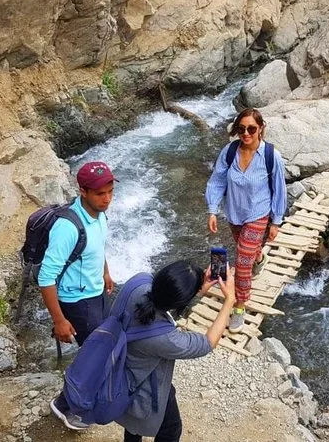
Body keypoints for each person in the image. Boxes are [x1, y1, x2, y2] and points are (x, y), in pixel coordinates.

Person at [118, 260, 236, 442]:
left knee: (133, 427)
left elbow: (162, 306)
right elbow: (208, 343)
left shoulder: (139, 282)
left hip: (121, 369)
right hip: (143, 384)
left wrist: (196, 291)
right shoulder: (166, 339)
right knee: (170, 430)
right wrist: (229, 301)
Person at [40, 161, 117, 430]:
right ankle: (66, 406)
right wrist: (59, 320)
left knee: (104, 348)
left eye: (110, 192)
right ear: (82, 191)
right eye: (100, 194)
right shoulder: (67, 227)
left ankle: (81, 398)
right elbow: (46, 277)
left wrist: (105, 272)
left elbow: (96, 246)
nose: (107, 199)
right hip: (77, 302)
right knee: (96, 356)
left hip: (96, 292)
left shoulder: (99, 214)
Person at [205, 108, 287, 333]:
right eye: (241, 129)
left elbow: (279, 190)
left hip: (258, 213)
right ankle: (259, 257)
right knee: (248, 252)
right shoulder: (229, 151)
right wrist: (212, 210)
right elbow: (217, 181)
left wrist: (276, 222)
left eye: (251, 128)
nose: (246, 133)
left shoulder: (271, 156)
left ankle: (239, 306)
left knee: (242, 263)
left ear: (260, 128)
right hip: (235, 213)